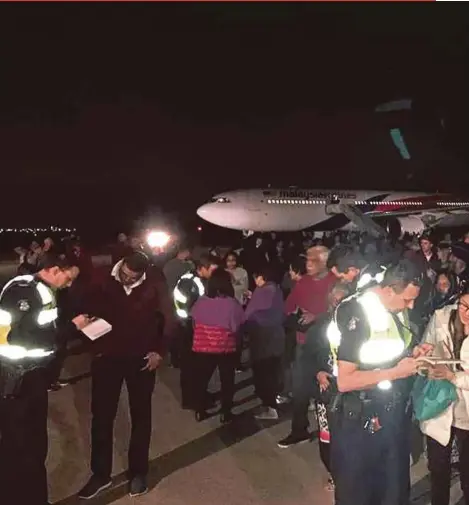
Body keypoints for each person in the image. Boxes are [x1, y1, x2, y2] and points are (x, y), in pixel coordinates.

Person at [328, 259, 433, 505]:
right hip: (360, 419)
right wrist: (396, 372)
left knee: (394, 491)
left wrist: (413, 353)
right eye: (407, 299)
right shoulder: (356, 312)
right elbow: (345, 380)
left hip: (392, 414)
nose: (411, 305)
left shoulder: (396, 306)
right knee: (360, 493)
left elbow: (388, 352)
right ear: (388, 290)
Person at [78, 251, 175, 500]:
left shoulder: (155, 281)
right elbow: (82, 311)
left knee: (141, 416)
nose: (129, 281)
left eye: (134, 278)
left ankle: (138, 473)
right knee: (101, 417)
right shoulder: (101, 278)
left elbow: (168, 317)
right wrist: (94, 346)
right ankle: (100, 475)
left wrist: (159, 351)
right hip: (107, 359)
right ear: (121, 267)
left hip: (142, 359)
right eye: (126, 276)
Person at [0, 255, 85, 505]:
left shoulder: (35, 287)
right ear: (55, 269)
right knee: (23, 446)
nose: (69, 284)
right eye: (68, 278)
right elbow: (26, 336)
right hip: (19, 377)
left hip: (28, 374)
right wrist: (72, 328)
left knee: (29, 445)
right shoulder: (26, 291)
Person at [420, 291, 469, 505]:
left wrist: (453, 376)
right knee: (438, 467)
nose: (467, 313)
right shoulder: (440, 318)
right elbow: (424, 355)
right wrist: (426, 366)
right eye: (464, 305)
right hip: (440, 405)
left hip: (467, 412)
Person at [191, 268, 245, 423]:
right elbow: (236, 326)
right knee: (227, 380)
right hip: (225, 347)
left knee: (202, 379)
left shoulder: (202, 301)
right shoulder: (231, 304)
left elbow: (194, 321)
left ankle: (200, 410)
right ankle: (225, 412)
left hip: (203, 347)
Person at [173, 254, 220, 409]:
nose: (214, 274)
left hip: (187, 325)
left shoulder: (190, 278)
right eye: (211, 270)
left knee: (192, 366)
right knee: (193, 366)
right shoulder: (194, 284)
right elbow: (195, 308)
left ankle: (196, 396)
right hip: (190, 329)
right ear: (202, 269)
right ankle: (195, 400)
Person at [245, 265, 285, 420]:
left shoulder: (261, 291)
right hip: (277, 336)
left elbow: (249, 314)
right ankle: (275, 399)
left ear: (262, 277)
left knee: (263, 372)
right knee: (274, 371)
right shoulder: (277, 289)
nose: (255, 281)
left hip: (262, 338)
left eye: (256, 277)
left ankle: (270, 408)